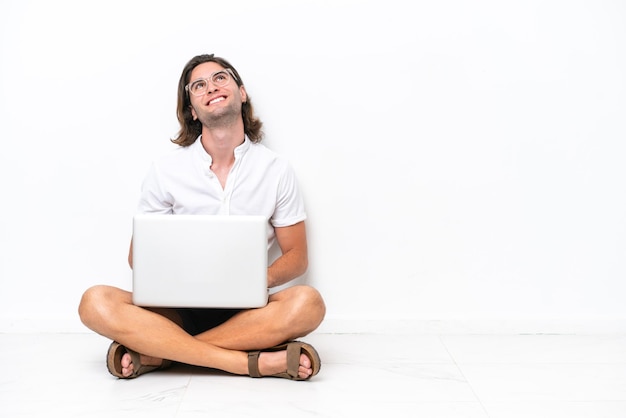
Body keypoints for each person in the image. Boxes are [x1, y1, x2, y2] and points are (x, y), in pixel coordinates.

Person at [78, 54, 326, 381]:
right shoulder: (166, 171)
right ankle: (247, 362)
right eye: (199, 85)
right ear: (193, 110)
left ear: (241, 92)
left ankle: (157, 353)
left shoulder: (276, 170)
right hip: (175, 311)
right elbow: (138, 258)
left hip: (249, 312)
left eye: (220, 78)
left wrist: (253, 280)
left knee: (308, 303)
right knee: (94, 302)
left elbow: (297, 257)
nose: (211, 87)